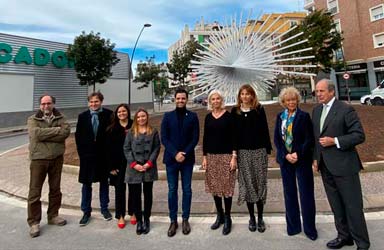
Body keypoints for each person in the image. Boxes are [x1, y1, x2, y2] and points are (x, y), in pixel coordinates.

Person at [312, 79, 370, 250]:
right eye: (317, 91)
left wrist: (335, 140)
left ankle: (362, 243)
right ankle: (344, 237)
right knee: (336, 205)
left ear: (332, 92)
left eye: (321, 91)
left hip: (345, 167)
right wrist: (315, 158)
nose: (318, 94)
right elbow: (316, 138)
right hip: (325, 167)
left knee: (352, 206)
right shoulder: (316, 111)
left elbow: (359, 135)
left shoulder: (345, 109)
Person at [273, 87, 317, 241]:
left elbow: (309, 139)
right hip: (286, 161)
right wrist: (285, 154)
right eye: (288, 100)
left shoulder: (304, 116)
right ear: (283, 102)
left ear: (297, 100)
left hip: (301, 160)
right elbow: (277, 140)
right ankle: (293, 226)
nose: (291, 102)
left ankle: (310, 229)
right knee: (289, 194)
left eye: (293, 99)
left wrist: (298, 153)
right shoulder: (280, 117)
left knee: (306, 195)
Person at [27, 95, 70, 238]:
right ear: (40, 105)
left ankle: (53, 216)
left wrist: (47, 134)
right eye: (43, 104)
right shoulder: (33, 119)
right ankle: (34, 222)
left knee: (55, 189)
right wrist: (56, 131)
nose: (46, 106)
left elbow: (65, 132)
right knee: (34, 192)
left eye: (49, 103)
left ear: (53, 104)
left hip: (56, 159)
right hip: (38, 159)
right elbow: (36, 134)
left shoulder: (61, 118)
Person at [231, 84, 272, 233]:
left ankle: (260, 217)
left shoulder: (259, 109)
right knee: (248, 185)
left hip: (259, 152)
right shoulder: (235, 111)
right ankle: (252, 218)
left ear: (252, 95)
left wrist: (268, 150)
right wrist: (234, 154)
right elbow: (233, 135)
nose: (245, 96)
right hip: (243, 153)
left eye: (248, 94)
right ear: (239, 96)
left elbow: (265, 129)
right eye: (242, 94)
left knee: (259, 183)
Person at [161, 88, 199, 237]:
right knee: (172, 190)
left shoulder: (193, 116)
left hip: (187, 159)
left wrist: (185, 153)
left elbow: (195, 138)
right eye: (178, 98)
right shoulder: (167, 116)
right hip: (171, 159)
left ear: (187, 99)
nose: (180, 101)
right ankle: (173, 220)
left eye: (183, 98)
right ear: (174, 99)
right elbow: (164, 137)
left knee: (187, 190)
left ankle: (185, 219)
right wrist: (175, 153)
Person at [75, 92, 113, 226]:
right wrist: (82, 154)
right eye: (91, 102)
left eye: (96, 101)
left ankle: (104, 209)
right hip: (87, 157)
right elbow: (78, 137)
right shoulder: (83, 116)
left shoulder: (109, 115)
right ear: (88, 103)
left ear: (101, 101)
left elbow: (112, 135)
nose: (93, 104)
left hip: (103, 157)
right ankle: (86, 211)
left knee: (104, 183)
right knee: (86, 185)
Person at [202, 90, 237, 235]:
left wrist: (234, 156)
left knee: (227, 189)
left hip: (226, 156)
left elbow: (235, 137)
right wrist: (204, 157)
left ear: (221, 100)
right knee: (215, 188)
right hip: (212, 157)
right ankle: (220, 215)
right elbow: (205, 138)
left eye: (218, 99)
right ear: (210, 101)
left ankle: (228, 217)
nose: (215, 101)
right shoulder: (208, 117)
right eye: (213, 99)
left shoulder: (229, 116)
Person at [124, 108, 160, 235]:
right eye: (138, 117)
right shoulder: (131, 132)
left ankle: (147, 219)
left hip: (148, 168)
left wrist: (149, 163)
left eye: (143, 116)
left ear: (147, 117)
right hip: (134, 169)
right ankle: (139, 220)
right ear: (136, 119)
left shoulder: (153, 131)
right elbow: (126, 148)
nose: (141, 119)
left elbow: (156, 148)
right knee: (135, 196)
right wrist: (134, 164)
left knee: (148, 195)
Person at [106, 104, 133, 229]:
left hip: (133, 162)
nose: (122, 113)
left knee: (133, 189)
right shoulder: (111, 128)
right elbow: (108, 149)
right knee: (119, 190)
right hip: (117, 164)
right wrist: (111, 166)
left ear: (128, 112)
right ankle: (120, 215)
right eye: (119, 112)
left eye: (124, 111)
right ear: (116, 114)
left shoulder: (134, 125)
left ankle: (133, 213)